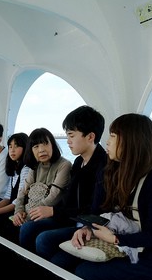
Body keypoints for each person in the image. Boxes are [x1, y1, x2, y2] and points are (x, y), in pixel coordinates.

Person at [47, 113, 152, 280]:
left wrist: (115, 239)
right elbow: (99, 210)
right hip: (114, 240)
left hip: (149, 257)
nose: (107, 142)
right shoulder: (112, 171)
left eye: (112, 136)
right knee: (60, 260)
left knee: (86, 273)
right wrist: (87, 228)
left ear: (131, 142)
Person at [31, 105, 108, 255]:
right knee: (30, 226)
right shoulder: (79, 162)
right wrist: (51, 210)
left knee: (44, 239)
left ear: (90, 137)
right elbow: (69, 198)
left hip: (88, 225)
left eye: (71, 136)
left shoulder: (104, 166)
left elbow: (95, 209)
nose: (68, 141)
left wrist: (53, 211)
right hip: (71, 218)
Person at [12, 127, 72, 249]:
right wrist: (18, 211)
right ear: (31, 150)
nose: (41, 150)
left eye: (45, 144)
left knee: (27, 227)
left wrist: (28, 216)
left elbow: (53, 197)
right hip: (33, 212)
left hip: (55, 214)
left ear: (53, 145)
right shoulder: (34, 167)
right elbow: (22, 193)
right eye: (36, 147)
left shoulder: (64, 165)